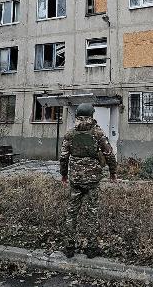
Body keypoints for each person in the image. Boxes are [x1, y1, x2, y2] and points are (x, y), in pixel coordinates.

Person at [59, 103, 117, 259]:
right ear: (92, 115)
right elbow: (109, 154)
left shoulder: (70, 134)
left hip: (75, 180)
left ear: (77, 115)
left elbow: (64, 156)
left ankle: (69, 248)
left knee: (71, 213)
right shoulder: (98, 133)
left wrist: (64, 174)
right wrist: (113, 172)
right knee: (92, 214)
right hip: (92, 181)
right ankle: (91, 249)